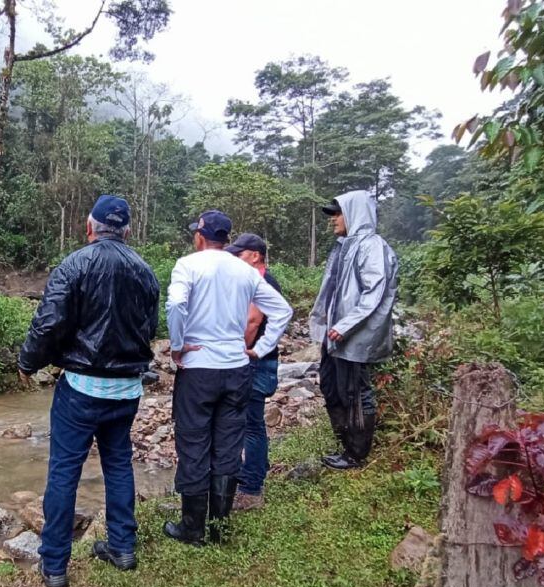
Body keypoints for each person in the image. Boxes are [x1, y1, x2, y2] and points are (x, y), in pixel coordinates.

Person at [17, 195, 159, 587]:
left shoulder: (75, 264)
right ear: (127, 231)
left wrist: (28, 363)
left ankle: (56, 566)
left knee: (64, 471)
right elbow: (149, 329)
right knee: (118, 465)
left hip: (80, 389)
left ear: (89, 226)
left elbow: (48, 324)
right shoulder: (146, 271)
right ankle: (122, 547)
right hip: (126, 390)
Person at [164, 211, 292, 546]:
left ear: (200, 237)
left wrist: (177, 346)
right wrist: (261, 348)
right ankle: (220, 527)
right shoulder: (245, 271)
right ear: (227, 239)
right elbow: (282, 310)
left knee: (194, 444)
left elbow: (176, 304)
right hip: (236, 369)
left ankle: (192, 527)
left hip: (198, 369)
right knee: (228, 445)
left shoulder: (188, 265)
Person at [309, 190, 399, 471]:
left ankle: (356, 454)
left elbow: (375, 291)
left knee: (356, 393)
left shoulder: (372, 246)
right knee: (331, 385)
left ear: (354, 213)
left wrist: (346, 325)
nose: (333, 219)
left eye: (337, 213)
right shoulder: (345, 245)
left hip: (354, 338)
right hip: (336, 337)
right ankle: (344, 443)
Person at [224, 233, 283, 511]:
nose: (236, 258)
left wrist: (237, 351)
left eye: (240, 253)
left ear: (255, 255)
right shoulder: (257, 279)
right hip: (260, 362)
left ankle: (251, 490)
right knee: (250, 424)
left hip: (255, 362)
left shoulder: (261, 282)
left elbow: (252, 321)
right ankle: (250, 477)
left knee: (251, 425)